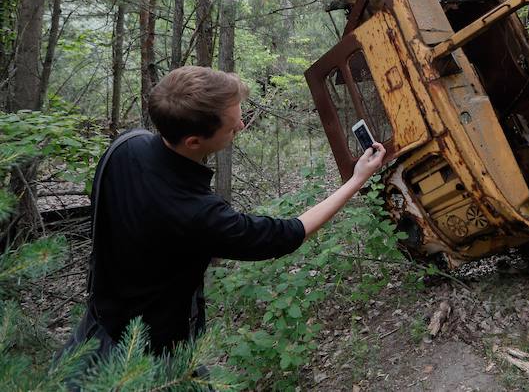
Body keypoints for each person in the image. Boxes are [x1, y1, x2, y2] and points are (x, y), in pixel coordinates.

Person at [63, 65, 385, 359]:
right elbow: (285, 234)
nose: (242, 125)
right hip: (152, 357)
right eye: (233, 128)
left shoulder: (125, 145)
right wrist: (356, 180)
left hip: (94, 329)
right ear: (193, 141)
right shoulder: (198, 214)